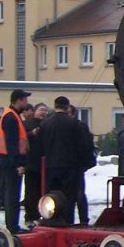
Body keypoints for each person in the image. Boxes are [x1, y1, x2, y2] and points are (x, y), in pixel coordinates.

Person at [40, 96, 85, 224]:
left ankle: (53, 219)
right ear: (67, 107)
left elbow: (41, 145)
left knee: (52, 194)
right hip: (70, 166)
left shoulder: (45, 124)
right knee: (69, 196)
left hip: (51, 166)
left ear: (55, 106)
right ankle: (67, 220)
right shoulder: (74, 124)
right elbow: (81, 145)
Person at [0, 89, 30, 233]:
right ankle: (13, 227)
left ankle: (12, 225)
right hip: (11, 163)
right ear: (19, 100)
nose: (26, 102)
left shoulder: (11, 114)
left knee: (12, 195)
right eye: (25, 99)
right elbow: (12, 143)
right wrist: (18, 164)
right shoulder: (11, 117)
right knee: (12, 196)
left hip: (7, 161)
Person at [22, 102, 49, 227]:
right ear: (35, 111)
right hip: (31, 163)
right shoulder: (27, 123)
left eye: (45, 110)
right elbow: (21, 139)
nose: (43, 112)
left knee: (43, 191)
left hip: (44, 164)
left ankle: (42, 214)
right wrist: (32, 133)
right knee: (30, 192)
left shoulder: (48, 124)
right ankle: (30, 216)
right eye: (40, 109)